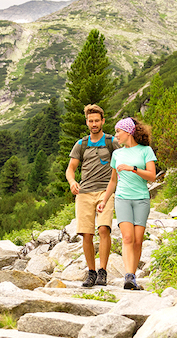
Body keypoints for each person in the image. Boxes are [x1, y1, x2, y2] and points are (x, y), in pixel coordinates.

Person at [97, 117, 156, 290]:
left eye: (118, 132)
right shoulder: (117, 154)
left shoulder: (146, 151)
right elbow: (113, 181)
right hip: (122, 198)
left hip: (141, 199)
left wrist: (133, 169)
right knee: (127, 238)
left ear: (128, 131)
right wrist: (104, 200)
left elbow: (152, 176)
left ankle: (132, 276)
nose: (116, 136)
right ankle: (129, 277)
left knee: (138, 241)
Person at [66, 104, 120, 287]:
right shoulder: (81, 144)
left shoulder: (111, 142)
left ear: (103, 121)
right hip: (84, 193)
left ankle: (102, 271)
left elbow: (123, 162)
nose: (94, 123)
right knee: (86, 234)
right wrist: (73, 182)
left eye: (97, 120)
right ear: (87, 122)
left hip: (106, 191)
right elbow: (70, 169)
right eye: (91, 121)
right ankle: (91, 272)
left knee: (104, 229)